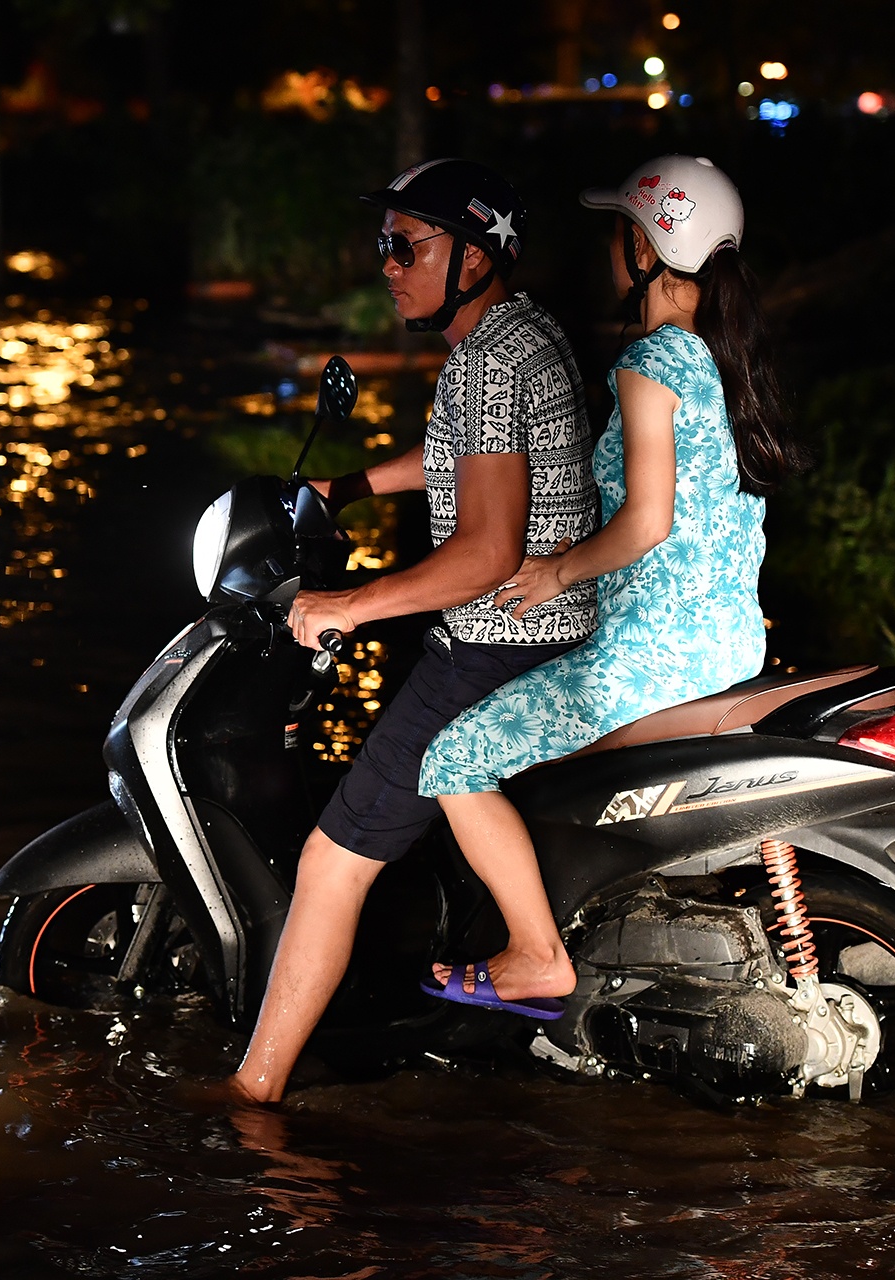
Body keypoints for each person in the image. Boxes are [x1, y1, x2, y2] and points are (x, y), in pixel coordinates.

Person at [229, 158, 598, 1104]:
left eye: (405, 245)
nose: (386, 265)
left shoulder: (486, 358)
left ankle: (253, 1096)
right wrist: (345, 486)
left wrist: (348, 604)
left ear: (473, 254)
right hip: (548, 630)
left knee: (330, 861)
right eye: (381, 246)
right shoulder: (522, 334)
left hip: (494, 640)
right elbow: (465, 459)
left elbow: (481, 551)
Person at [416, 155, 809, 1013]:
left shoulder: (652, 364)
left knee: (453, 760)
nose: (610, 250)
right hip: (731, 643)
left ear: (642, 246)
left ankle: (534, 954)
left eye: (615, 233)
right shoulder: (724, 357)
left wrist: (552, 571)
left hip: (647, 656)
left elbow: (648, 523)